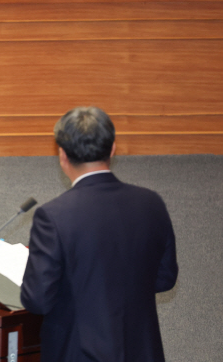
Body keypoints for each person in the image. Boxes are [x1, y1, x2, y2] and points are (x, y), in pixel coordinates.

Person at [20, 106, 178, 362]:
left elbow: (37, 300)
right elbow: (165, 279)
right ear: (113, 149)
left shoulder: (53, 216)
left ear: (62, 155)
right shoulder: (152, 203)